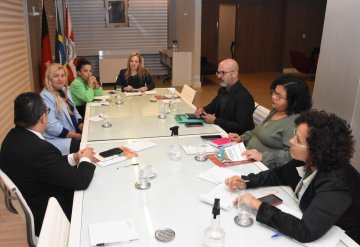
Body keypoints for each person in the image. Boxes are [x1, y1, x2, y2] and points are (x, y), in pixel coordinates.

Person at [225, 110, 360, 244]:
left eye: (297, 139)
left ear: (316, 149)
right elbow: (279, 174)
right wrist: (247, 181)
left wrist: (257, 205)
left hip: (344, 240)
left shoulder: (336, 184)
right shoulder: (309, 159)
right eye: (295, 134)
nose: (291, 140)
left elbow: (305, 231)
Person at [0, 92, 96, 236]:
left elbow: (45, 167)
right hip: (52, 214)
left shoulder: (10, 139)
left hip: (36, 196)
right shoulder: (40, 150)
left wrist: (73, 158)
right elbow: (80, 181)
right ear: (43, 117)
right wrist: (86, 158)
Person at [228, 75, 312, 168]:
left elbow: (292, 155)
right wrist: (242, 138)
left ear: (294, 101)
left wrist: (263, 156)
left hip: (263, 166)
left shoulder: (295, 123)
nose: (273, 97)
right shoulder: (277, 110)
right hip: (246, 155)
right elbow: (257, 132)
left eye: (279, 96)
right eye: (274, 92)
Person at [195, 59, 254, 134]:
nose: (219, 76)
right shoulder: (223, 89)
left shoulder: (244, 97)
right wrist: (203, 109)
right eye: (218, 72)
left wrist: (215, 121)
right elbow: (213, 105)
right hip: (221, 130)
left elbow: (241, 126)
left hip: (234, 138)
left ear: (234, 74)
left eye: (223, 73)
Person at [41, 63, 83, 155]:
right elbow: (52, 126)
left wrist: (81, 125)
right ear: (49, 79)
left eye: (63, 75)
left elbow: (75, 111)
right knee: (83, 149)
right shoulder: (45, 96)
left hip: (73, 131)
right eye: (56, 76)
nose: (60, 79)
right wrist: (76, 136)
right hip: (58, 138)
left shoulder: (65, 90)